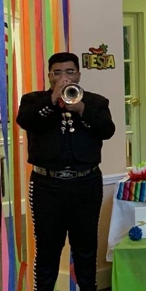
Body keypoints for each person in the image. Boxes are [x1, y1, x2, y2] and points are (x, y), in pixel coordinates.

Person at [16, 52, 115, 291]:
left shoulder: (96, 102)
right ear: (50, 76)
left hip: (86, 183)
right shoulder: (33, 101)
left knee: (86, 247)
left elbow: (107, 130)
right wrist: (52, 99)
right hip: (46, 186)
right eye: (57, 72)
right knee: (48, 248)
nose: (64, 77)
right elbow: (25, 120)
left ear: (78, 74)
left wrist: (81, 108)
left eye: (70, 72)